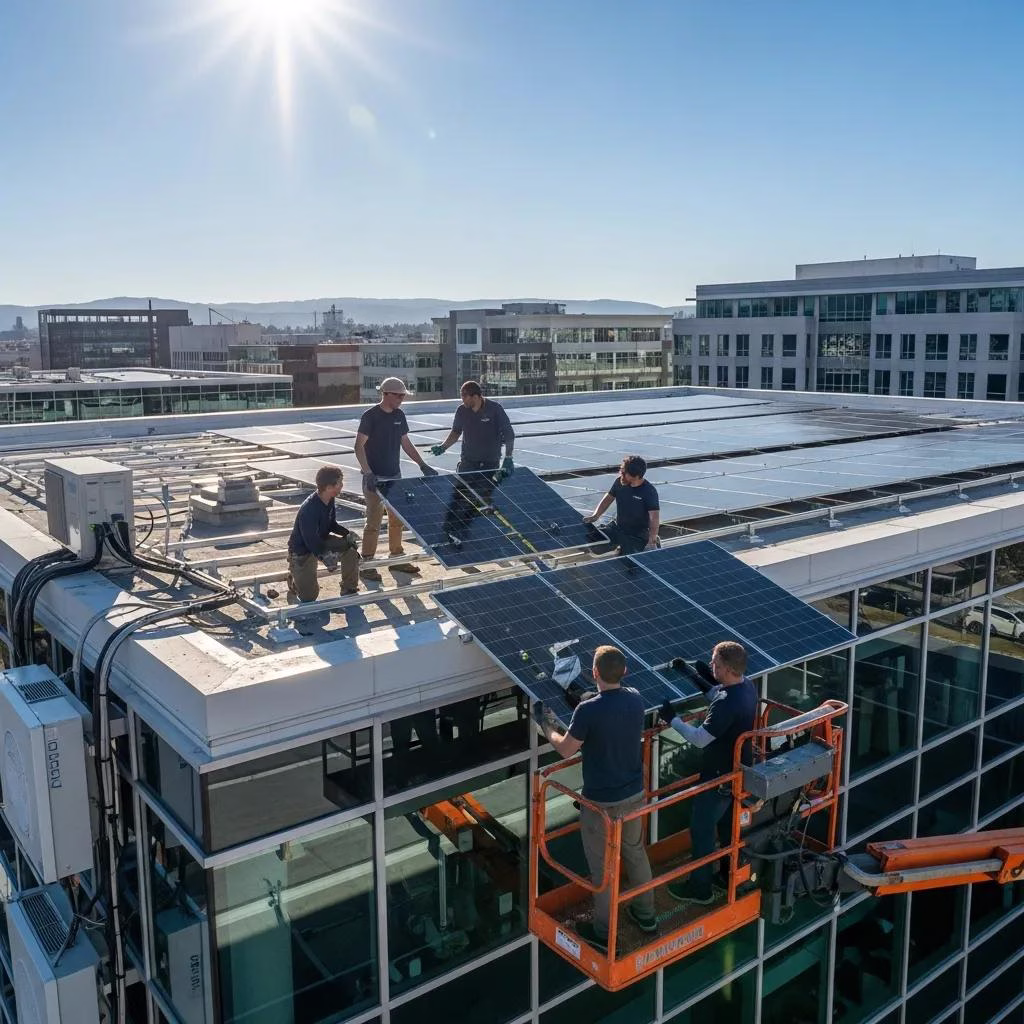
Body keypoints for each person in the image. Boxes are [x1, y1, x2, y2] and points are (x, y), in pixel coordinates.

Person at [537, 645, 656, 952]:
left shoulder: (587, 711)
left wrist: (546, 726)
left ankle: (604, 932)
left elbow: (565, 749)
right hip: (633, 796)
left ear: (594, 674)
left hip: (600, 805)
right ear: (625, 672)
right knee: (635, 853)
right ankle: (647, 916)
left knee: (602, 868)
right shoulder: (635, 698)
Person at [659, 641, 758, 905]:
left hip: (718, 777)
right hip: (738, 772)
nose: (710, 665)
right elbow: (719, 695)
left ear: (726, 668)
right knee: (727, 829)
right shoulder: (747, 686)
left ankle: (700, 889)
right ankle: (728, 876)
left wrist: (673, 719)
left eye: (714, 663)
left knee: (702, 829)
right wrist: (694, 676)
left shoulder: (727, 703)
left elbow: (701, 738)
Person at [355, 377, 438, 579]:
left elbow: (406, 443)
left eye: (403, 396)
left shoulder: (399, 415)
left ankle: (397, 558)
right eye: (399, 395)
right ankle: (367, 563)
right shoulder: (371, 416)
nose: (402, 399)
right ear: (387, 394)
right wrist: (368, 473)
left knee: (396, 520)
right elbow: (358, 446)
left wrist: (422, 464)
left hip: (394, 477)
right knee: (374, 521)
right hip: (375, 479)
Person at [286, 465, 360, 633]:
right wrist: (327, 558)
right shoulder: (309, 510)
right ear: (328, 487)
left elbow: (331, 524)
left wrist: (347, 534)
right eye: (339, 484)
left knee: (350, 550)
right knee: (309, 599)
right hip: (303, 550)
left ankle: (349, 588)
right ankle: (294, 579)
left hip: (322, 540)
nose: (342, 486)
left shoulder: (329, 499)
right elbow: (310, 541)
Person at [430, 380, 515, 476]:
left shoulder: (495, 409)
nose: (462, 399)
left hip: (490, 463)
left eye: (465, 397)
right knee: (463, 490)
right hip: (468, 462)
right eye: (461, 396)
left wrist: (508, 457)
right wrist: (443, 447)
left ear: (475, 397)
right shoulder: (461, 410)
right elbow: (456, 432)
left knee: (488, 489)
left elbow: (509, 433)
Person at [583, 455, 660, 555]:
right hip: (618, 528)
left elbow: (654, 517)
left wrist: (652, 540)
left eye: (624, 473)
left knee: (631, 563)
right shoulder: (619, 482)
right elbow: (609, 498)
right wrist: (596, 515)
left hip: (637, 535)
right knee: (590, 539)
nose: (621, 475)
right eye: (621, 471)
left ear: (636, 476)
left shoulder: (649, 491)